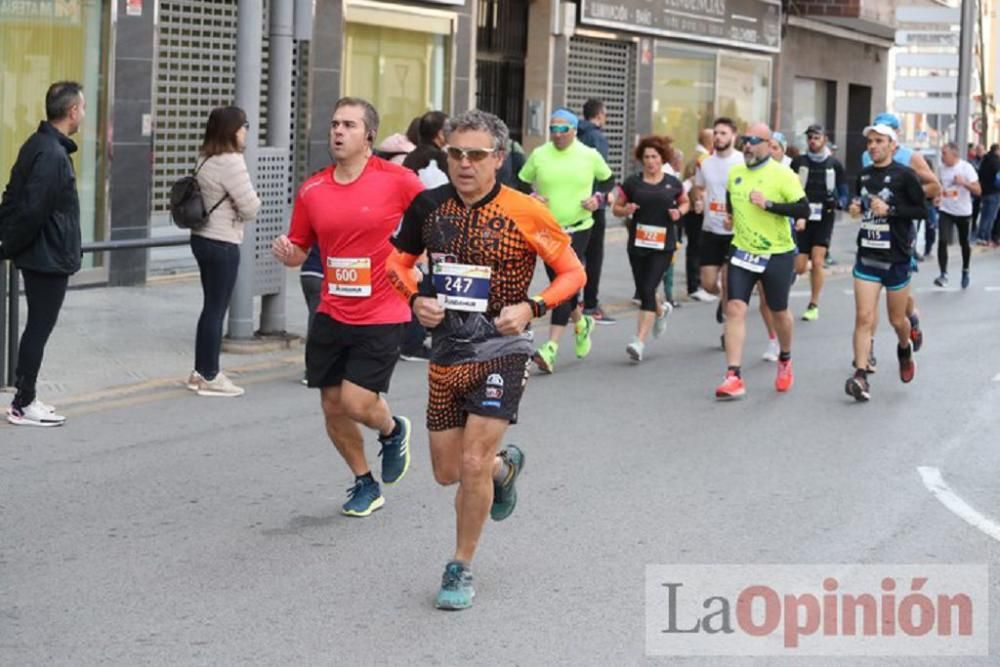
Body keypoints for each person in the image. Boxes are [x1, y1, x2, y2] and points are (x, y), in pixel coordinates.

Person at [386, 109, 585, 610]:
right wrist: (415, 299)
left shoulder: (527, 211)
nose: (464, 164)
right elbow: (396, 262)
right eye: (455, 153)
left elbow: (572, 273)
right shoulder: (428, 207)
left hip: (503, 348)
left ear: (499, 157)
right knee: (448, 471)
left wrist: (532, 306)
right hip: (448, 349)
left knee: (470, 461)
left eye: (476, 155)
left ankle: (460, 565)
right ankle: (504, 471)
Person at [271, 97, 423, 517]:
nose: (338, 131)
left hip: (383, 309)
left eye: (349, 125)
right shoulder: (313, 189)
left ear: (368, 135)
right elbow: (301, 249)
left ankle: (392, 431)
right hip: (332, 310)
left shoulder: (398, 180)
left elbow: (434, 220)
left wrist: (422, 260)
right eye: (335, 123)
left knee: (357, 403)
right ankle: (364, 482)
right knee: (332, 405)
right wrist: (288, 252)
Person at [0, 82, 86, 426]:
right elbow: (32, 209)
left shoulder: (39, 144)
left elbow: (13, 194)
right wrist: (8, 244)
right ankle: (23, 403)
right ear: (72, 111)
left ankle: (27, 396)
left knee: (37, 326)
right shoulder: (51, 154)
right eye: (82, 108)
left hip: (42, 252)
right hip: (46, 256)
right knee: (39, 327)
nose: (83, 114)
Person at [715, 123, 809, 400]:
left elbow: (802, 208)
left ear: (769, 144)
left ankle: (785, 357)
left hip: (777, 253)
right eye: (745, 139)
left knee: (778, 311)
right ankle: (733, 375)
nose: (748, 145)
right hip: (742, 251)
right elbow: (732, 201)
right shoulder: (736, 173)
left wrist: (769, 205)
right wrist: (732, 217)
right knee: (734, 308)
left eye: (755, 140)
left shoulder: (783, 175)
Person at [518, 107, 613, 374]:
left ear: (573, 130)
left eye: (562, 129)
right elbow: (521, 181)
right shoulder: (540, 155)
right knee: (562, 285)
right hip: (547, 230)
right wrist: (531, 197)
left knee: (562, 282)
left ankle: (551, 348)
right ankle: (581, 324)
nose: (557, 134)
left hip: (579, 227)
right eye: (553, 129)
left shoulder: (589, 155)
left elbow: (609, 181)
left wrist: (598, 199)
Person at [845, 123, 926, 402]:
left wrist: (891, 210)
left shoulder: (906, 176)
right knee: (864, 317)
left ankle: (904, 348)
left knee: (896, 319)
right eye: (870, 142)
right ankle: (860, 375)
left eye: (879, 141)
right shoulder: (864, 175)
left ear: (892, 145)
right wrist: (855, 208)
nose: (873, 146)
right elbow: (859, 203)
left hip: (896, 259)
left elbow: (922, 211)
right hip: (867, 256)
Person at [184, 106, 261, 397]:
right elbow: (250, 207)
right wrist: (256, 200)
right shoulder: (231, 161)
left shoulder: (206, 157)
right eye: (244, 125)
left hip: (202, 238)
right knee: (216, 309)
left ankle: (199, 371)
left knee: (210, 307)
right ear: (232, 130)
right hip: (222, 242)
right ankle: (209, 375)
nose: (246, 131)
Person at [613, 136, 688, 362]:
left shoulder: (672, 183)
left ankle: (639, 341)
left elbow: (685, 202)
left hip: (663, 245)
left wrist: (679, 212)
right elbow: (616, 208)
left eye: (654, 157)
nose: (650, 161)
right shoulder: (632, 183)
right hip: (637, 244)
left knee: (647, 288)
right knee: (645, 288)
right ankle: (661, 310)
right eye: (646, 157)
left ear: (662, 158)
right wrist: (626, 210)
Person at [790, 124, 847, 322]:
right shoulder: (798, 162)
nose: (813, 141)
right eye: (810, 138)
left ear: (824, 139)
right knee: (799, 266)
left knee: (818, 260)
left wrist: (840, 201)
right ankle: (792, 275)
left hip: (825, 216)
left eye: (816, 137)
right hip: (803, 216)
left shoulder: (834, 164)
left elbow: (843, 188)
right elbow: (788, 185)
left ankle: (813, 303)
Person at [692, 118, 744, 337]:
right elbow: (698, 187)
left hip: (736, 233)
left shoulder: (742, 161)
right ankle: (722, 298)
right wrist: (697, 200)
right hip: (711, 229)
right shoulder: (705, 162)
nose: (718, 137)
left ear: (733, 136)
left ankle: (727, 332)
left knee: (730, 282)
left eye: (723, 133)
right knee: (708, 283)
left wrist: (737, 216)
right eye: (716, 133)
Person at [577, 98, 616, 324]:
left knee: (573, 254)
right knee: (594, 256)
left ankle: (571, 301)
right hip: (592, 204)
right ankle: (590, 304)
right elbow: (601, 172)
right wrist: (601, 194)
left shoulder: (574, 135)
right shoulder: (597, 138)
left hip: (572, 202)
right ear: (600, 114)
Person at [935, 142, 980, 288]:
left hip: (963, 212)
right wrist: (937, 196)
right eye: (941, 153)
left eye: (944, 154)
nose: (942, 157)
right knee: (942, 240)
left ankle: (965, 270)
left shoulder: (966, 168)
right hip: (946, 210)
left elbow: (978, 191)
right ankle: (943, 274)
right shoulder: (941, 168)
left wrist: (964, 182)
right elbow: (940, 186)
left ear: (954, 155)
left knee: (964, 243)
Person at [975, 143, 1000, 246]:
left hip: (984, 192)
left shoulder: (984, 161)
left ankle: (981, 236)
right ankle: (986, 237)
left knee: (984, 216)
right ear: (997, 150)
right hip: (994, 192)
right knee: (990, 216)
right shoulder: (996, 162)